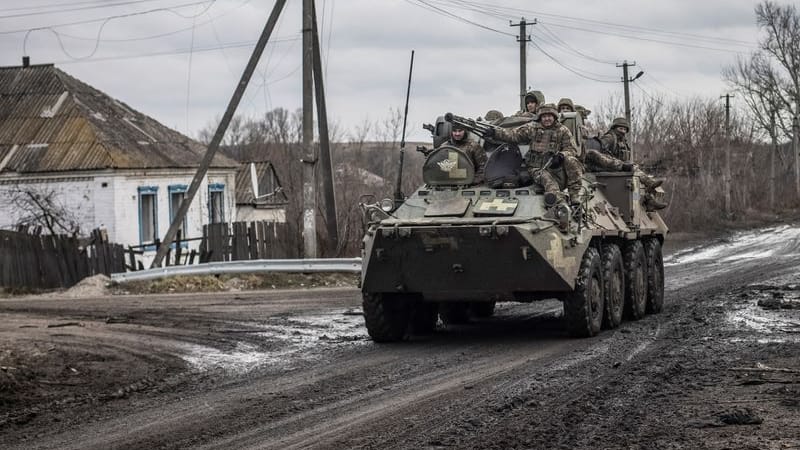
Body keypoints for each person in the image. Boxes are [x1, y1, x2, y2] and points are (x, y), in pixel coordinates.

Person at [485, 103, 584, 207]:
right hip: (536, 168)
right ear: (540, 117)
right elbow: (513, 135)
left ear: (554, 117)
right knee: (547, 180)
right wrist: (494, 132)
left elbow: (571, 149)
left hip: (555, 167)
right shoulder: (532, 128)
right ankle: (560, 203)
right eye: (544, 116)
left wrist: (561, 155)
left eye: (549, 116)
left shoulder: (563, 130)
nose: (547, 119)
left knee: (571, 160)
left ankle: (574, 195)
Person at [585, 117, 667, 210]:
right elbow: (600, 152)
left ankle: (649, 199)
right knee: (634, 171)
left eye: (624, 129)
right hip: (608, 166)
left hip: (618, 167)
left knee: (636, 175)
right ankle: (650, 184)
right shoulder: (610, 138)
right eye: (620, 128)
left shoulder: (622, 141)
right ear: (614, 128)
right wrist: (618, 164)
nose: (622, 131)